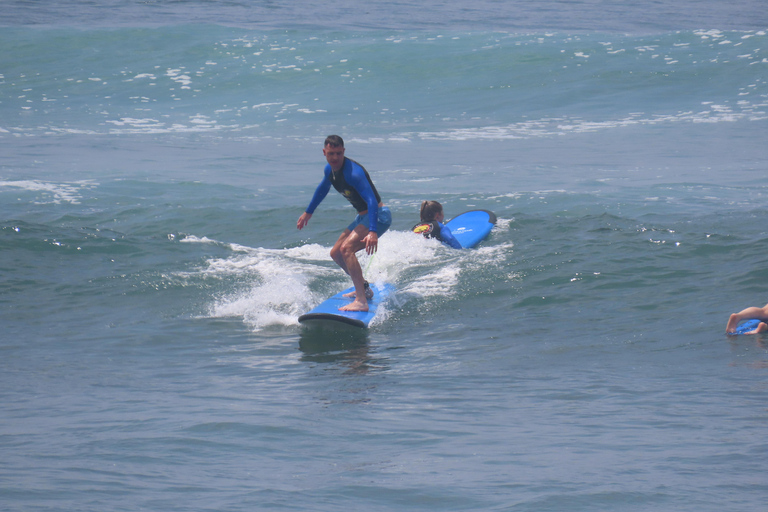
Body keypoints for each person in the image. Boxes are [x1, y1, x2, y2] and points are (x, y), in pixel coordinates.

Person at [297, 135, 392, 312]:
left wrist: (372, 231)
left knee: (346, 249)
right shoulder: (330, 170)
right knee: (336, 253)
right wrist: (308, 212)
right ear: (324, 152)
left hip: (378, 216)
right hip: (363, 216)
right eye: (331, 153)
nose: (335, 158)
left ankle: (361, 301)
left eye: (338, 153)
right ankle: (363, 288)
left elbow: (371, 200)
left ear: (344, 152)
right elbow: (323, 189)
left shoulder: (354, 173)